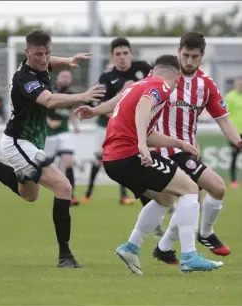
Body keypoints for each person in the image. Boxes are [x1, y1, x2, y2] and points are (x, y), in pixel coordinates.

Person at [0, 30, 105, 268]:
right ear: (27, 52)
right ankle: (65, 256)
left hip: (29, 142)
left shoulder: (41, 64)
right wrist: (83, 96)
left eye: (47, 53)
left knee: (29, 195)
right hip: (19, 142)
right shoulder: (25, 79)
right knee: (64, 187)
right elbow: (49, 100)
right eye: (38, 54)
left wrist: (66, 61)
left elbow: (49, 61)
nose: (43, 58)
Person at [75, 54, 224, 274]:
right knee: (190, 189)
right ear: (177, 75)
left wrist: (178, 143)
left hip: (114, 160)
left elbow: (146, 129)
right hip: (129, 156)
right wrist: (143, 145)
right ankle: (189, 255)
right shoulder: (161, 85)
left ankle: (131, 247)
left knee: (165, 197)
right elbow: (144, 108)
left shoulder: (138, 85)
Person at [151, 32, 242, 262]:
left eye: (194, 56)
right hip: (163, 151)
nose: (189, 61)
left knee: (190, 201)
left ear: (202, 56)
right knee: (209, 190)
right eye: (185, 55)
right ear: (178, 51)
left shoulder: (206, 85)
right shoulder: (163, 78)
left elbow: (223, 120)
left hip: (187, 151)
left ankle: (162, 247)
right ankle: (203, 235)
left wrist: (239, 142)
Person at [83, 37, 152, 206]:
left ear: (131, 54)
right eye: (118, 54)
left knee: (139, 161)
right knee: (104, 159)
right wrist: (122, 93)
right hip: (108, 126)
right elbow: (101, 104)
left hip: (138, 126)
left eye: (125, 53)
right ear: (112, 57)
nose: (122, 57)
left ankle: (140, 198)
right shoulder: (107, 77)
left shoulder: (143, 68)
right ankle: (89, 192)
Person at [44, 70, 81, 206]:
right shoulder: (50, 92)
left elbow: (71, 112)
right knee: (45, 166)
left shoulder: (71, 95)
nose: (65, 79)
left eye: (68, 77)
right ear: (58, 78)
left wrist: (75, 125)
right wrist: (49, 121)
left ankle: (70, 195)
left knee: (68, 162)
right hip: (49, 134)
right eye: (63, 76)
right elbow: (41, 108)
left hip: (64, 132)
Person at [225, 77, 242, 188]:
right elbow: (225, 116)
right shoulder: (229, 97)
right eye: (238, 84)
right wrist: (228, 133)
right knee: (234, 156)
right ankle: (233, 180)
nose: (239, 85)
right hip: (235, 132)